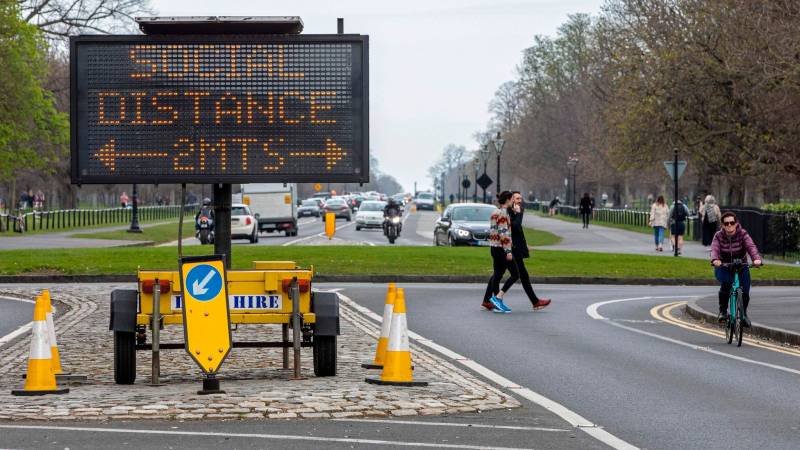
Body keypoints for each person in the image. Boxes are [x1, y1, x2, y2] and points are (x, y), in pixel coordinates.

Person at [711, 211, 762, 326]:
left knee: (745, 292)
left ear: (736, 223)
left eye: (732, 222)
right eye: (726, 223)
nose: (729, 225)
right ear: (723, 225)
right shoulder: (718, 236)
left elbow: (751, 246)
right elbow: (714, 249)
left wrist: (756, 259)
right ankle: (723, 312)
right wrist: (715, 260)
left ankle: (743, 315)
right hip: (724, 266)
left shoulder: (743, 234)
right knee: (727, 283)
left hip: (741, 266)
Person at [481, 191, 518, 313]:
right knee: (515, 274)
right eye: (512, 198)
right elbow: (503, 234)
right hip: (502, 248)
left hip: (494, 247)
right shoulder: (502, 214)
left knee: (497, 275)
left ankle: (490, 302)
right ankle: (498, 297)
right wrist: (508, 251)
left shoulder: (495, 212)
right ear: (507, 199)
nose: (514, 200)